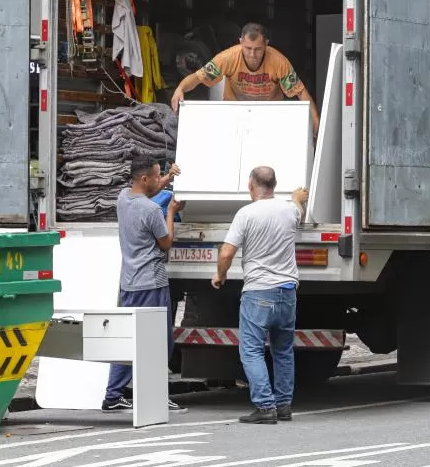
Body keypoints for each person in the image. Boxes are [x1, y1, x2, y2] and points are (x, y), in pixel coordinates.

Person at [212, 167, 309, 424]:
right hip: (288, 292)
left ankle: (265, 407)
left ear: (251, 186)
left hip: (258, 292)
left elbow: (226, 253)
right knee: (283, 351)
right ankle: (284, 405)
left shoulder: (246, 214)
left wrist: (220, 275)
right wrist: (298, 198)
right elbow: (299, 210)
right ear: (274, 185)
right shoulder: (289, 210)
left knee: (252, 351)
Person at [102, 154, 185, 413]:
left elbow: (149, 191)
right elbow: (166, 242)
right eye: (158, 174)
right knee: (160, 341)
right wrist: (170, 211)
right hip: (151, 283)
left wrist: (169, 178)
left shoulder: (124, 198)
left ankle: (113, 395)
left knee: (129, 339)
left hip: (130, 282)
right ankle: (158, 395)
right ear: (145, 178)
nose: (161, 179)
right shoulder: (152, 210)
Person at [170, 23, 320, 136]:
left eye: (258, 49)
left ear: (266, 44)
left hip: (269, 114)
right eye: (248, 48)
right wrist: (180, 89)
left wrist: (315, 119)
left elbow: (300, 92)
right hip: (235, 113)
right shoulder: (227, 58)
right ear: (240, 41)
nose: (252, 55)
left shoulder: (278, 61)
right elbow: (198, 77)